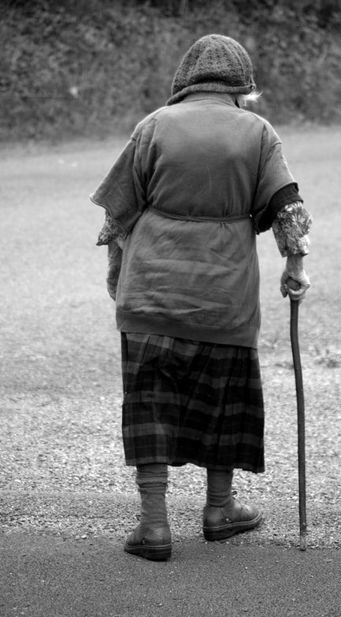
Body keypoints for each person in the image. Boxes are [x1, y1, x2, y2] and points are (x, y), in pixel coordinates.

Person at [90, 34, 311, 561]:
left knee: (150, 404)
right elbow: (288, 209)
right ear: (243, 88)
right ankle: (219, 509)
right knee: (222, 401)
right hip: (224, 299)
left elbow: (115, 219)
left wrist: (119, 282)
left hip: (150, 295)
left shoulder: (154, 126)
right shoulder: (258, 133)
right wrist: (295, 268)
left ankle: (154, 526)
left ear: (184, 82)